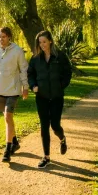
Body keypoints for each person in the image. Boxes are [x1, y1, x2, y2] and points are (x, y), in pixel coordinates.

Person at [27, 29, 72, 168]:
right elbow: (30, 74)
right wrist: (33, 85)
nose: (42, 45)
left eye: (44, 42)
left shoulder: (60, 57)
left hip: (57, 97)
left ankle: (62, 139)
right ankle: (46, 157)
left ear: (50, 41)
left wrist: (60, 86)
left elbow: (68, 73)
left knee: (55, 125)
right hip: (42, 97)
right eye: (40, 42)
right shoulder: (35, 59)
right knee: (44, 126)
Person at [0, 26, 29, 163]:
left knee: (7, 117)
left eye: (4, 36)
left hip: (13, 90)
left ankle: (7, 150)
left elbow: (24, 69)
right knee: (8, 119)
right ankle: (15, 142)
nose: (1, 39)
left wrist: (25, 87)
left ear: (9, 37)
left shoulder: (17, 51)